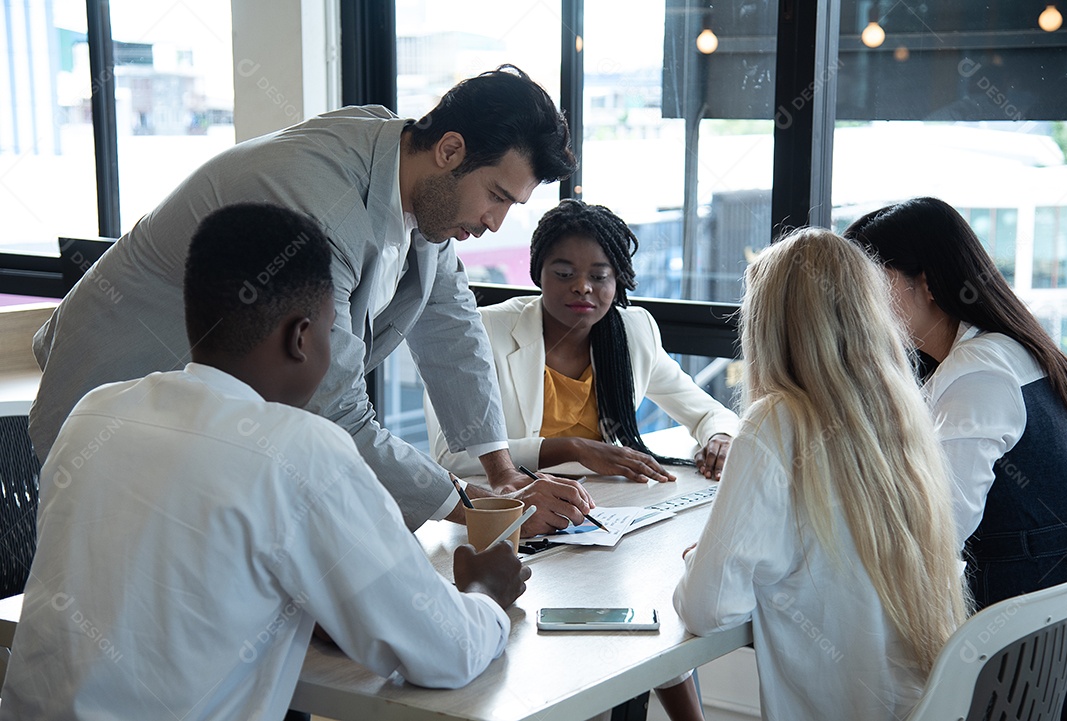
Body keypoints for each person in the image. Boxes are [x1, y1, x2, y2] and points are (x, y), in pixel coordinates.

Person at [0, 204, 531, 721]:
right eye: (333, 330)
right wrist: (486, 590)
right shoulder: (302, 449)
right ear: (301, 337)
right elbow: (446, 653)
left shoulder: (95, 413)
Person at [28, 65, 590, 538]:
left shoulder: (415, 175)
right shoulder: (314, 202)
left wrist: (501, 473)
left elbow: (450, 321)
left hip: (216, 427)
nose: (495, 223)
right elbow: (331, 406)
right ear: (450, 150)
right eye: (496, 196)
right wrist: (480, 510)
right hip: (115, 412)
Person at [673, 229, 969, 720]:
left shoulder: (776, 421)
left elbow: (709, 610)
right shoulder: (901, 411)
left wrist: (698, 562)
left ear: (768, 327)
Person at [845, 196, 1067, 713]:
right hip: (1049, 652)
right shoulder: (1013, 349)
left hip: (1014, 651)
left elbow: (938, 529)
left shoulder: (977, 371)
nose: (858, 305)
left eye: (871, 283)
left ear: (926, 282)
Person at [426, 199, 739, 483]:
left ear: (617, 281)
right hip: (511, 506)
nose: (582, 287)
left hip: (605, 507)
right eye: (564, 274)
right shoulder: (485, 330)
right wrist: (573, 449)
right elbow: (451, 454)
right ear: (538, 273)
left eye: (599, 277)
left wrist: (720, 438)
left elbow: (706, 413)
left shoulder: (634, 332)